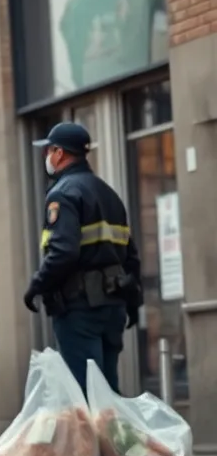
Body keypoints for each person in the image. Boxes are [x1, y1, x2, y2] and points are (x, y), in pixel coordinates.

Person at [26, 121, 141, 391]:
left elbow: (64, 251)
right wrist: (134, 301)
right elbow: (130, 256)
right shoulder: (109, 194)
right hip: (113, 309)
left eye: (48, 151)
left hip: (80, 309)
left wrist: (36, 285)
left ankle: (96, 435)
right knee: (106, 395)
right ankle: (114, 435)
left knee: (83, 396)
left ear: (60, 153)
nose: (46, 157)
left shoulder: (63, 194)